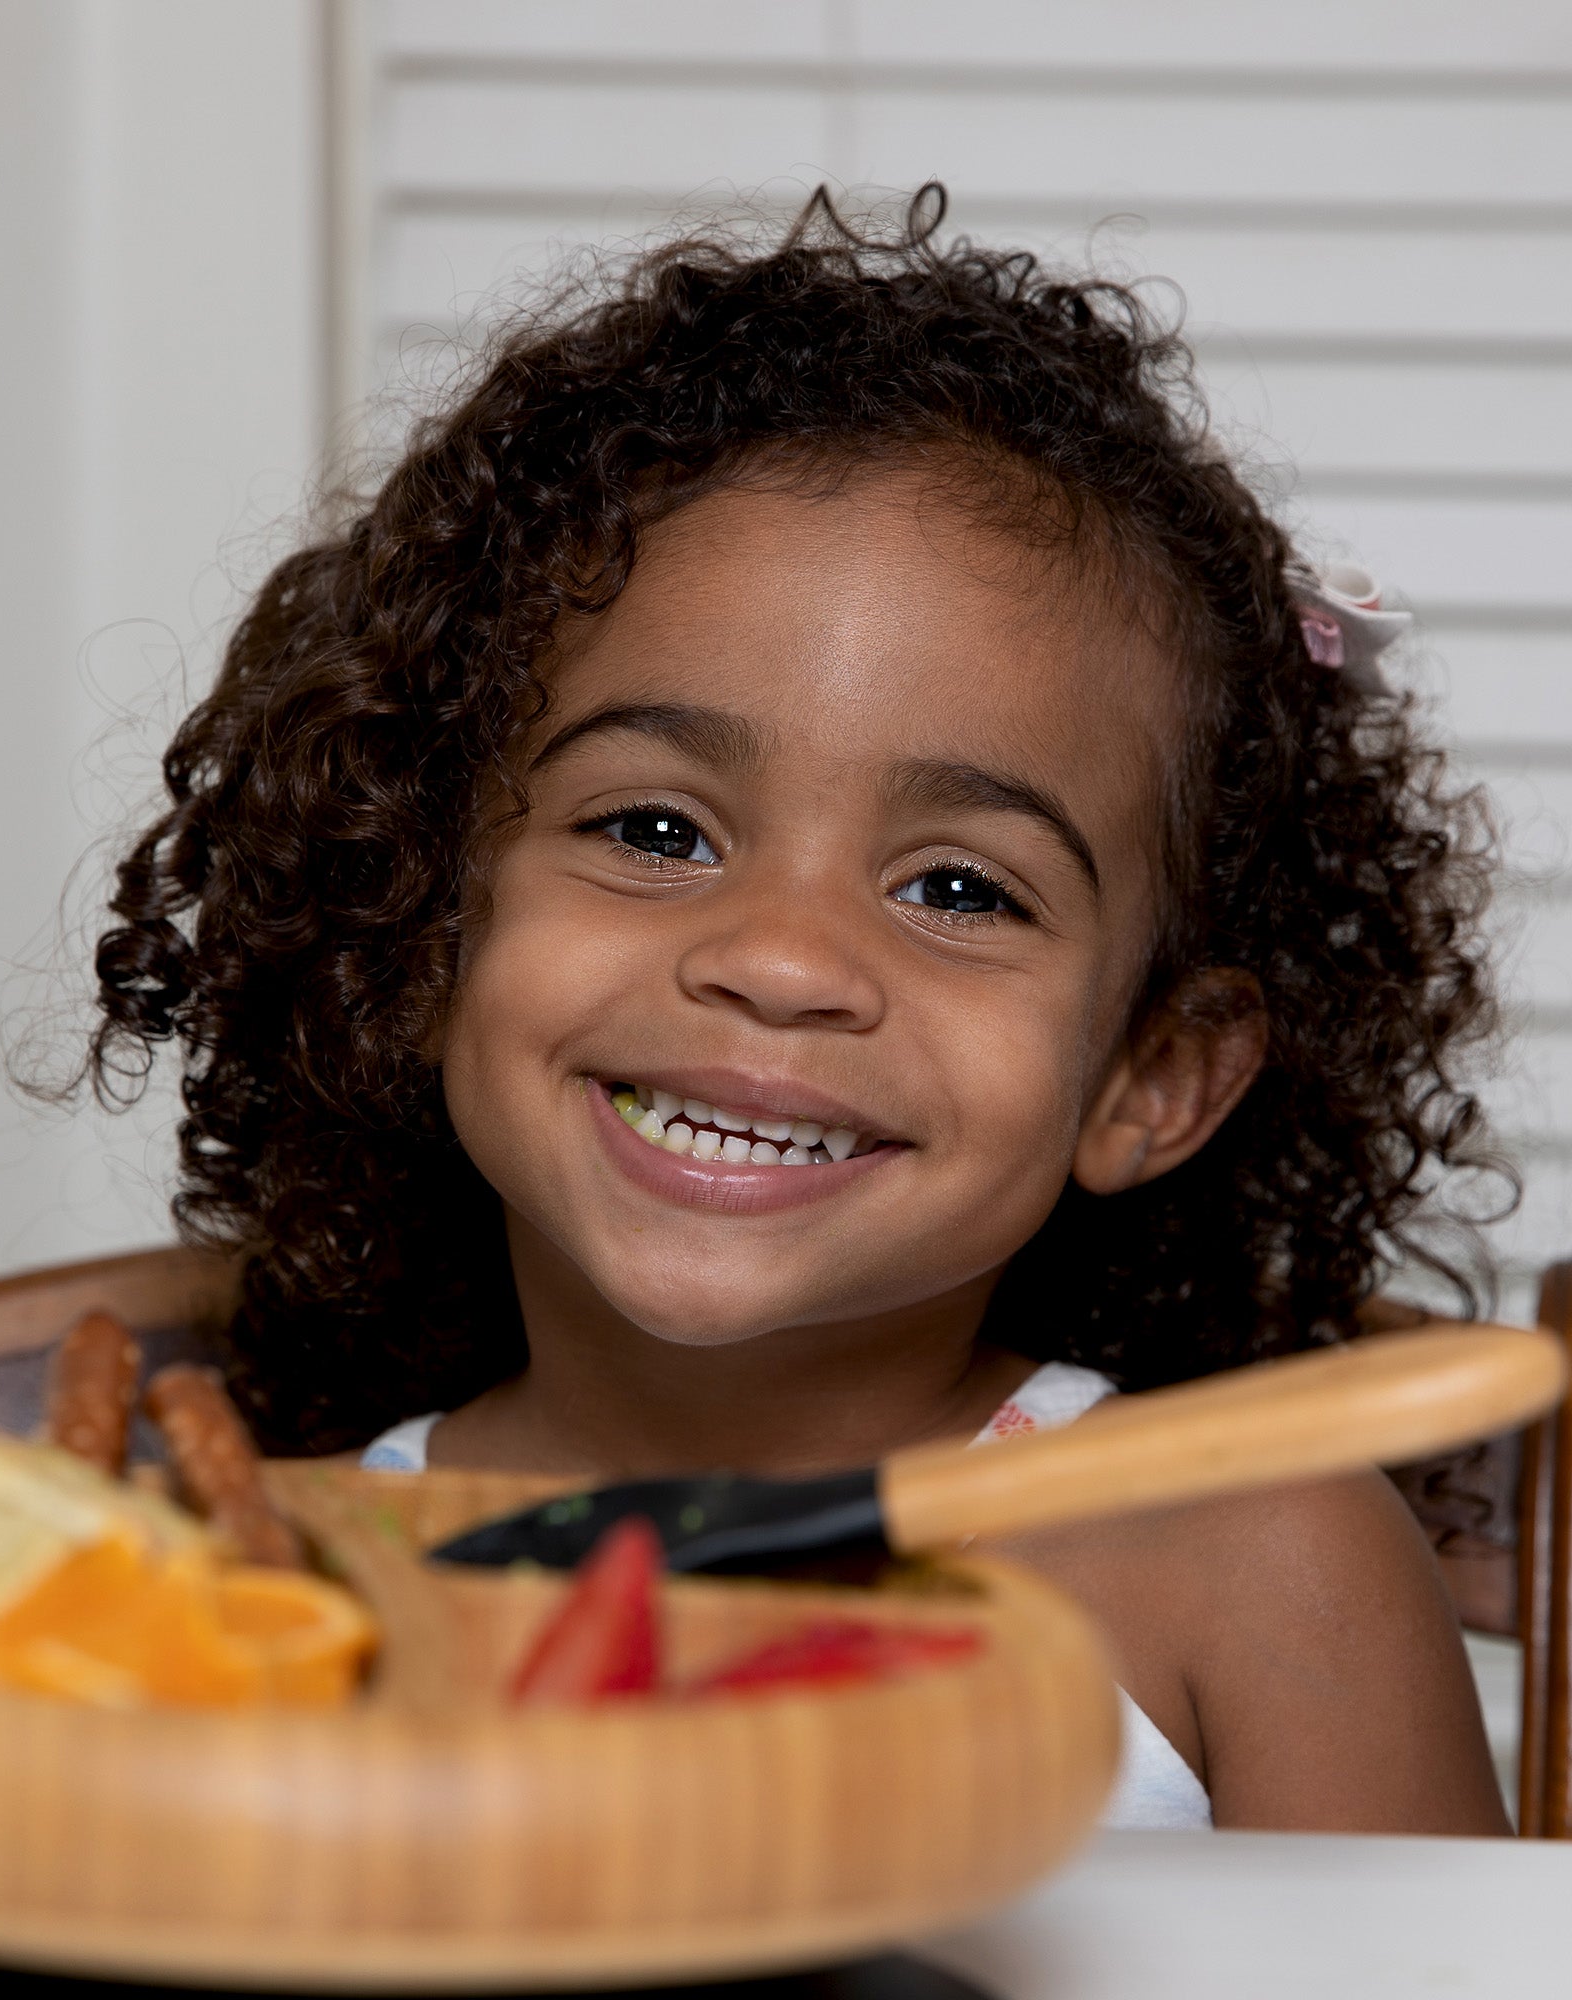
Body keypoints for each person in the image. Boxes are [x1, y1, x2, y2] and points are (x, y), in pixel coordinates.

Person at [89, 187, 1510, 1833]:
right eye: (655, 832)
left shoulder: (1255, 1559)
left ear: (1151, 1076)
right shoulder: (264, 1577)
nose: (779, 960)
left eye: (960, 890)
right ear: (420, 926)